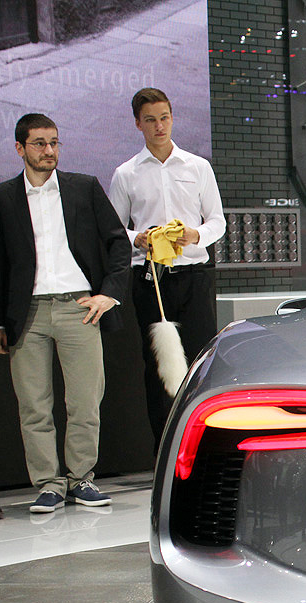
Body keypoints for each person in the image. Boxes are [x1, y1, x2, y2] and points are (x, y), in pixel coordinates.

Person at [0, 113, 130, 512]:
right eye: (39, 143)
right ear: (20, 148)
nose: (49, 150)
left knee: (85, 401)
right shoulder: (4, 197)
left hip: (78, 307)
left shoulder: (83, 187)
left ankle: (81, 478)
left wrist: (109, 294)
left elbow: (118, 243)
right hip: (27, 312)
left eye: (54, 142)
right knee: (34, 406)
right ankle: (48, 484)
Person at [109, 87, 225, 447]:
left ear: (172, 118)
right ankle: (164, 450)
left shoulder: (197, 166)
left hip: (194, 278)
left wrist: (195, 234)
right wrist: (138, 238)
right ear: (138, 124)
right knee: (158, 365)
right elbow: (114, 228)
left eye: (164, 118)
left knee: (201, 363)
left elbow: (217, 221)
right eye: (150, 120)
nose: (159, 126)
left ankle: (203, 445)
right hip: (151, 281)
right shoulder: (126, 173)